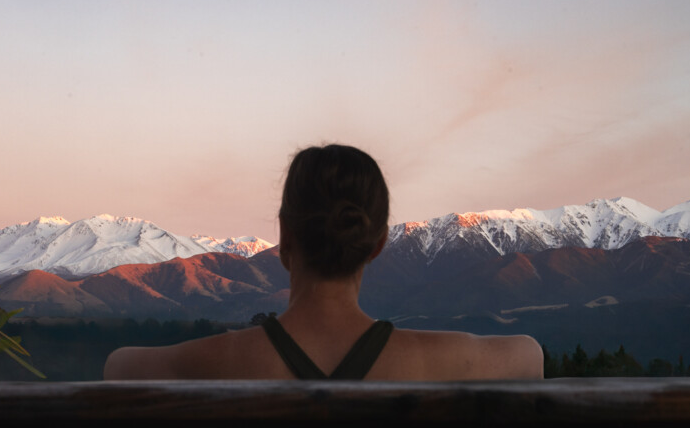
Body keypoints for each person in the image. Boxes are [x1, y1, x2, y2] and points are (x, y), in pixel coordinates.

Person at [103, 144, 543, 380]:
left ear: (284, 237)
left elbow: (118, 364)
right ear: (377, 245)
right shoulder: (426, 363)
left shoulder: (221, 363)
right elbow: (529, 354)